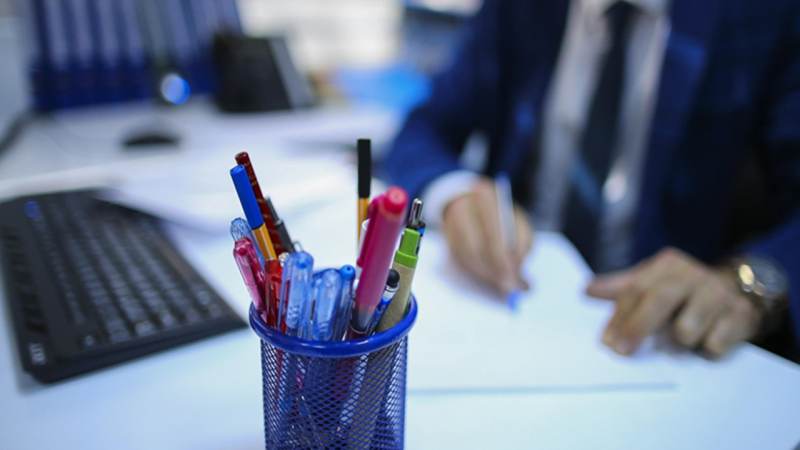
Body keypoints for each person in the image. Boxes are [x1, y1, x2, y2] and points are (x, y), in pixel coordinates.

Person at [385, 0, 800, 358]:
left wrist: (747, 281)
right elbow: (424, 127)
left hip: (662, 334)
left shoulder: (766, 13)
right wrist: (456, 194)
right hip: (518, 294)